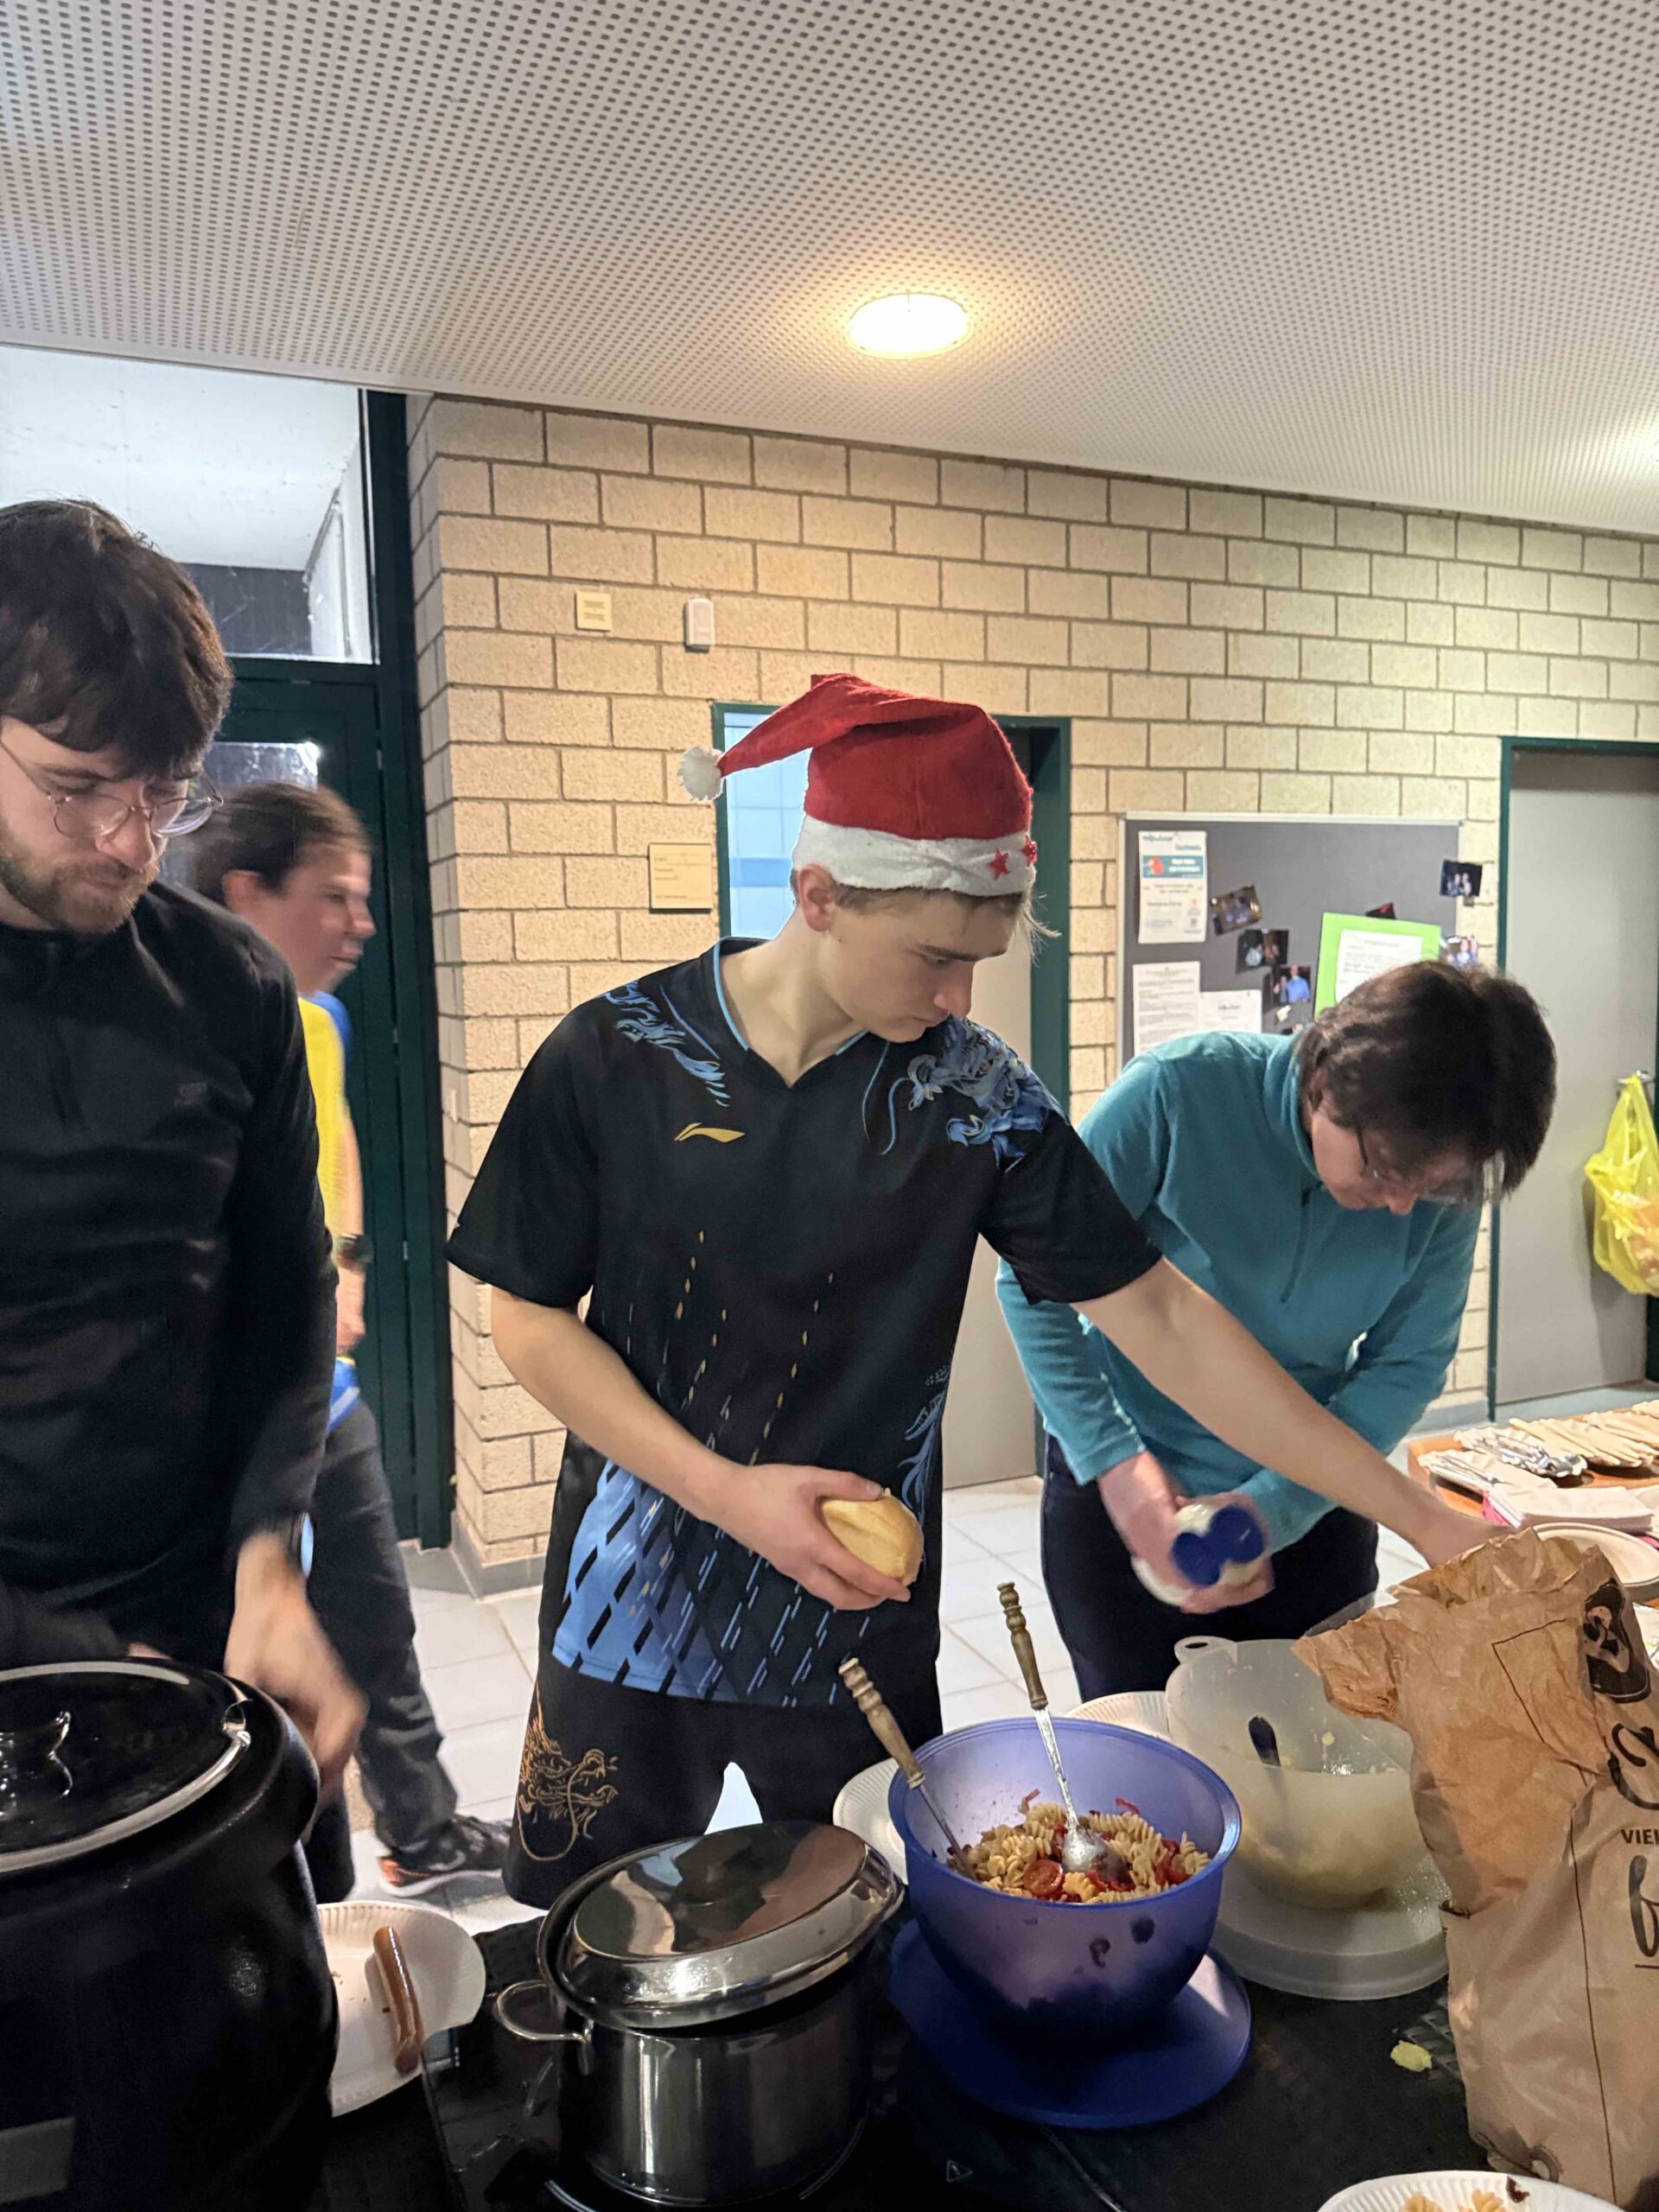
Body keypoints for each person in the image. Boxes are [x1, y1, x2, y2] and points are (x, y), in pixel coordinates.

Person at [447, 672, 1484, 1904]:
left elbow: (1159, 1317)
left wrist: (1422, 1521)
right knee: (595, 1926)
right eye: (935, 958)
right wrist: (727, 1495)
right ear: (817, 893)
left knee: (862, 1918)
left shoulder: (976, 1099)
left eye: (981, 961)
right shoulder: (615, 1057)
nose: (959, 1001)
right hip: (632, 1589)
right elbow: (524, 1321)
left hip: (851, 1614)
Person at [0, 499, 361, 1800]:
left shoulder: (227, 983)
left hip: (212, 1625)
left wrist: (269, 1553)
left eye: (163, 791)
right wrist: (89, 1659)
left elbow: (286, 1286)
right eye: (77, 787)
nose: (128, 841)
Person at [999, 961, 1556, 1699]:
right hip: (1125, 1486)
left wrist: (1279, 1506)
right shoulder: (1176, 1095)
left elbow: (1407, 1366)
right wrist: (1113, 1461)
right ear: (1326, 1080)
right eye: (1387, 1170)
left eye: (1431, 1186)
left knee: (1308, 1760)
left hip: (1320, 1503)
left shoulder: (1429, 1188)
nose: (1401, 1206)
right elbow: (1033, 1283)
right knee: (1142, 1773)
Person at [194, 781, 512, 1894]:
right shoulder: (183, 1030)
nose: (360, 923)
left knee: (377, 1620)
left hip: (326, 1397)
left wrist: (352, 1265)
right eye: (333, 897)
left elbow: (337, 1152)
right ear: (248, 892)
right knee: (247, 1664)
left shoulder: (316, 1023)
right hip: (226, 1435)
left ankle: (423, 1832)